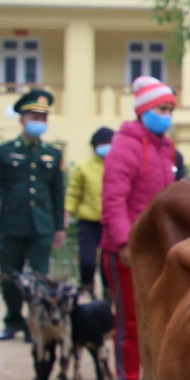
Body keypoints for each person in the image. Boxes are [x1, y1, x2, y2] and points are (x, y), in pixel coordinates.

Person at [102, 75, 179, 380]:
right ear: (144, 109)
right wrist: (124, 243)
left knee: (163, 314)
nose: (167, 116)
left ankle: (156, 378)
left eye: (170, 109)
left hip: (160, 247)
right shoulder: (125, 146)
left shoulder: (166, 147)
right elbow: (114, 199)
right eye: (162, 108)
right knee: (131, 317)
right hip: (128, 250)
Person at [0, 90, 66, 341]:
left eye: (43, 117)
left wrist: (58, 227)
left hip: (42, 225)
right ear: (22, 119)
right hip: (11, 224)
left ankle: (37, 321)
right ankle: (13, 320)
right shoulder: (3, 152)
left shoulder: (53, 155)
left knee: (40, 277)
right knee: (10, 276)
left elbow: (57, 192)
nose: (38, 121)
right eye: (34, 116)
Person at [66, 126, 115, 297]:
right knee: (87, 262)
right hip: (88, 223)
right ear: (94, 146)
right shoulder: (83, 167)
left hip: (110, 224)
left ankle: (109, 303)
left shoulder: (118, 167)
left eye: (109, 143)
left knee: (107, 266)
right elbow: (73, 193)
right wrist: (67, 212)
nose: (105, 146)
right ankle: (87, 295)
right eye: (101, 143)